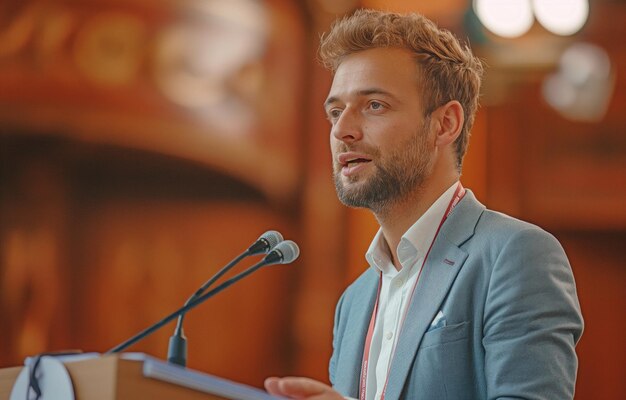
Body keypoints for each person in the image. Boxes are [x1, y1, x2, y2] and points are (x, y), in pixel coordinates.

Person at [265, 9, 584, 400]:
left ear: (445, 124)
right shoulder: (353, 301)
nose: (342, 130)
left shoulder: (515, 255)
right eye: (335, 111)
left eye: (375, 105)